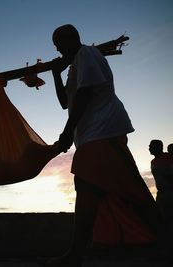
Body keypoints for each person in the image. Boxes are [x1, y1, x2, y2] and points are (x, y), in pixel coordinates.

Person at [47, 24, 160, 266]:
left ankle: (75, 254)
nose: (56, 48)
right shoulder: (74, 66)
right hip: (91, 136)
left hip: (103, 131)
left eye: (58, 43)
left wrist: (67, 132)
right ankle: (143, 242)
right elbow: (64, 104)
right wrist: (56, 73)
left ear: (71, 40)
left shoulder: (87, 54)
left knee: (88, 185)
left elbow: (86, 93)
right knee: (120, 189)